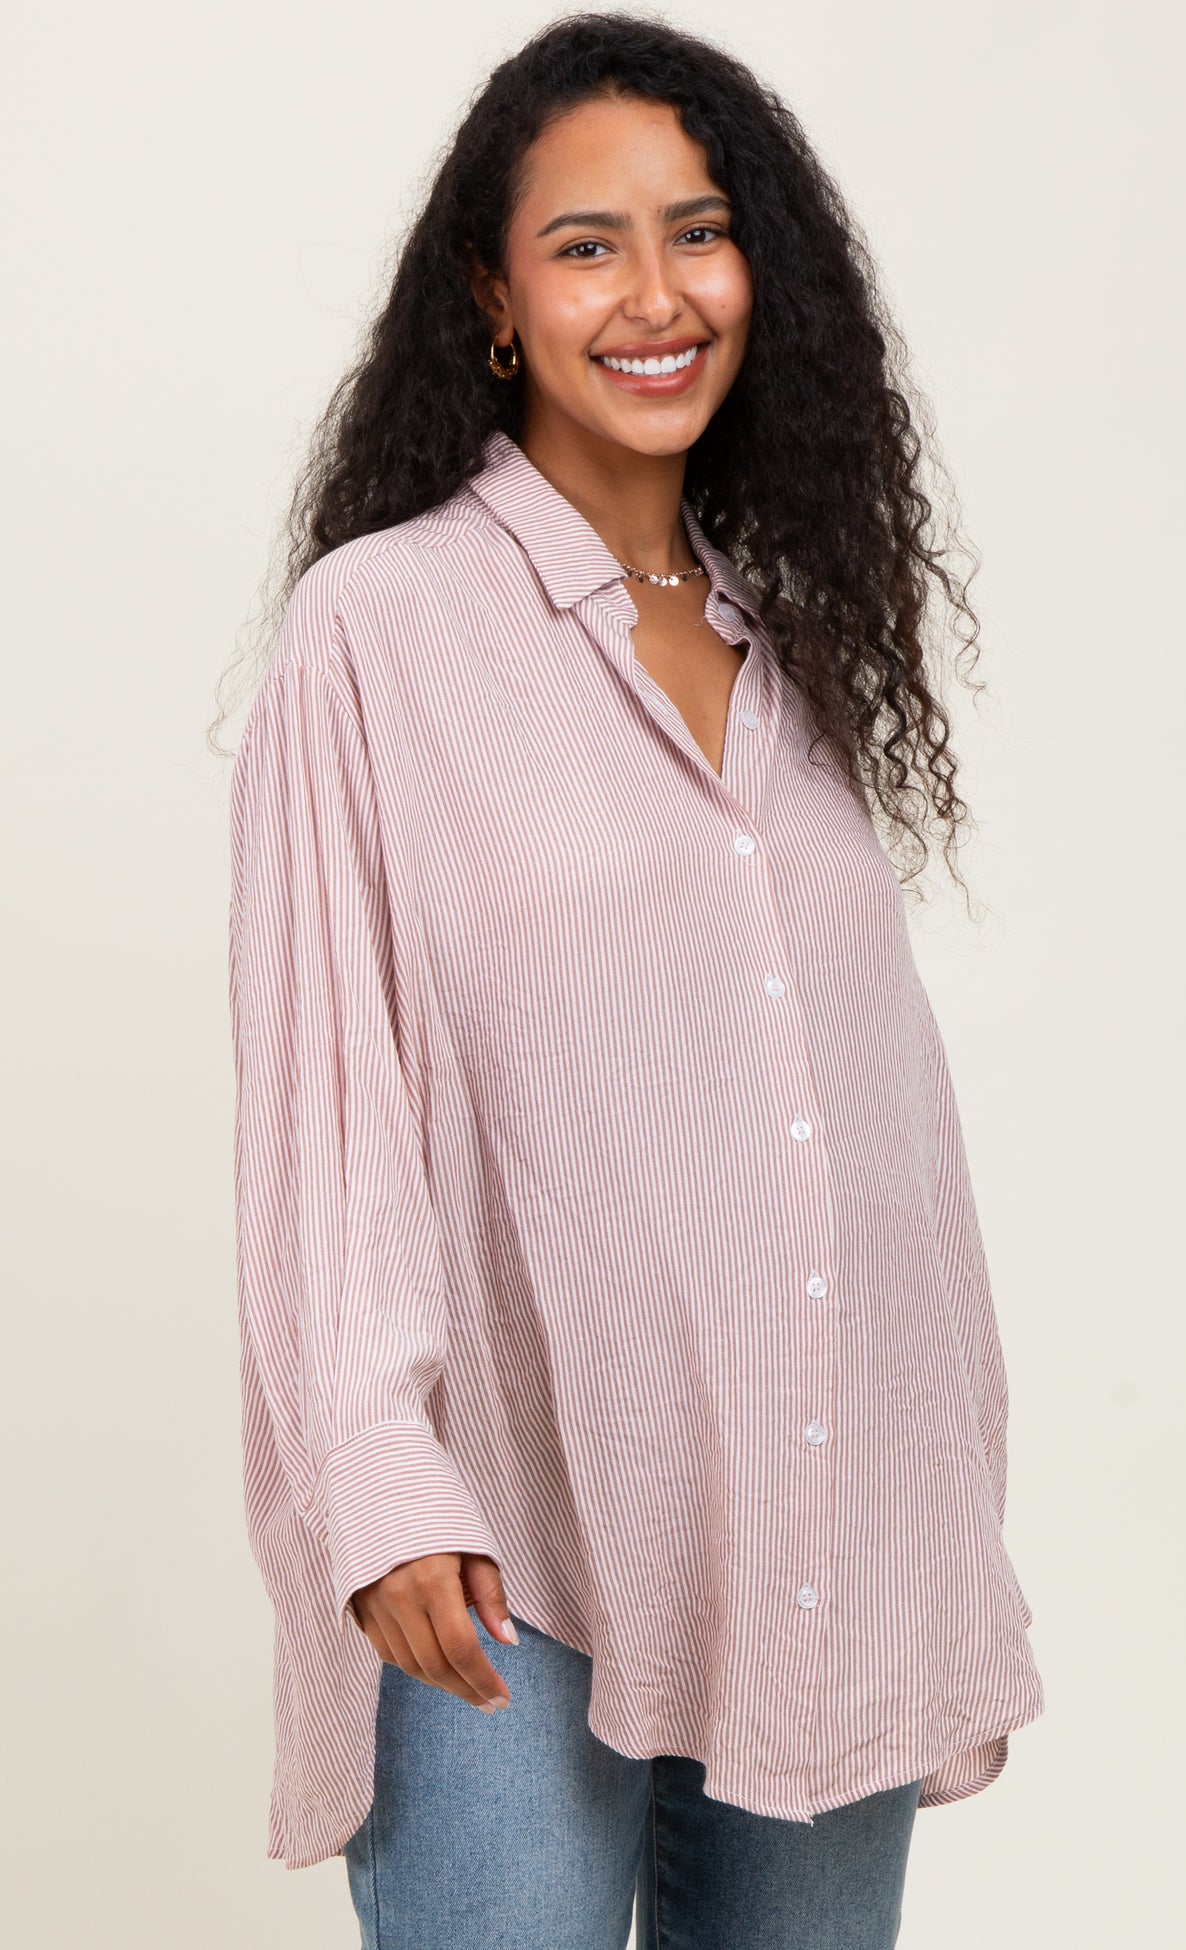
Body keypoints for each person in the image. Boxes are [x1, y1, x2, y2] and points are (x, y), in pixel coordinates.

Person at [223, 13, 1045, 1946]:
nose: (657, 295)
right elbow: (324, 1097)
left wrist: (946, 1483)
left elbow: (881, 1114)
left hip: (823, 1523)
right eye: (587, 245)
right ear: (494, 299)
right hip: (503, 1531)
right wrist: (379, 1476)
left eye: (700, 232)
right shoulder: (380, 630)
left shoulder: (794, 651)